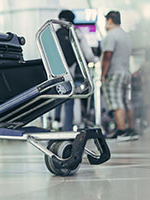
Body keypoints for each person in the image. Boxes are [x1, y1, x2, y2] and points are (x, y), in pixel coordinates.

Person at [54, 10, 99, 131]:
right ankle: (68, 128)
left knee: (58, 96)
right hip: (74, 73)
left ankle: (56, 121)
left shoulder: (54, 34)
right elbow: (88, 54)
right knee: (71, 99)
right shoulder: (77, 33)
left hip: (57, 73)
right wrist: (95, 59)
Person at [99, 11, 137, 141]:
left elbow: (107, 55)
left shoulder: (111, 35)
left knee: (116, 102)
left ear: (109, 20)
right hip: (126, 72)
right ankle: (131, 130)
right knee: (127, 101)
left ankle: (121, 131)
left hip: (114, 72)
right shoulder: (126, 36)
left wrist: (103, 74)